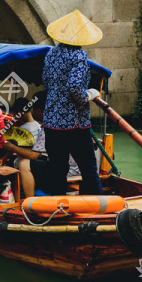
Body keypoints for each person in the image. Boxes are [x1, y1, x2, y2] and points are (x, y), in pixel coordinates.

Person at [42, 10, 103, 197]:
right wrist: (89, 95)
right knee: (89, 169)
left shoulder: (51, 54)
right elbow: (74, 88)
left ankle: (57, 208)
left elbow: (45, 82)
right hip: (74, 125)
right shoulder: (79, 56)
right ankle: (99, 207)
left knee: (57, 169)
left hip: (51, 122)